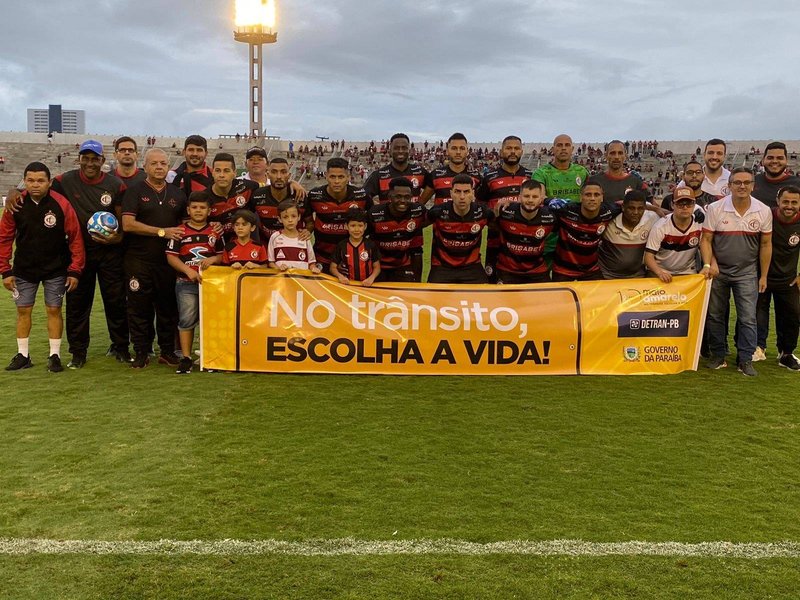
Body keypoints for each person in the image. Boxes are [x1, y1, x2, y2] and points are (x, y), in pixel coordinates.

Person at [0, 140, 131, 367]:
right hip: (77, 253)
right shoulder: (64, 181)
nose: (90, 162)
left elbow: (122, 218)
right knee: (78, 304)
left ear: (102, 160)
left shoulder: (115, 185)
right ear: (79, 158)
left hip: (109, 252)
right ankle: (78, 353)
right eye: (86, 157)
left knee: (115, 301)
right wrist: (15, 190)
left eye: (95, 158)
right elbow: (38, 186)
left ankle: (120, 347)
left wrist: (117, 238)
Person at [0, 162, 85, 372]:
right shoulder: (15, 204)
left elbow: (75, 238)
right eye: (30, 180)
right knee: (23, 310)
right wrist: (5, 270)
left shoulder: (61, 204)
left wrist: (75, 270)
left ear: (49, 182)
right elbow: (4, 238)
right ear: (24, 181)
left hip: (55, 269)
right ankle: (23, 355)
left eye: (40, 181)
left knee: (54, 310)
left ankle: (54, 355)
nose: (35, 185)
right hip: (24, 270)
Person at [701, 167, 772, 376]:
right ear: (729, 185)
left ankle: (745, 359)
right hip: (718, 272)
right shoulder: (715, 208)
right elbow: (706, 240)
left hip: (747, 272)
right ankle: (718, 355)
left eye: (746, 182)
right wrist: (708, 264)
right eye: (737, 182)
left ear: (753, 185)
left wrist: (764, 275)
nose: (742, 186)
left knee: (748, 317)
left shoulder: (763, 210)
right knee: (715, 315)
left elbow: (766, 244)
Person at [121, 148, 187, 369]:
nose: (159, 167)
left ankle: (167, 351)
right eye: (154, 163)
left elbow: (185, 226)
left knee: (167, 308)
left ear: (168, 167)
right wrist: (161, 232)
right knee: (139, 308)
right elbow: (128, 224)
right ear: (145, 166)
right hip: (138, 260)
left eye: (163, 163)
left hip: (168, 261)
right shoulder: (134, 191)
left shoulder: (177, 194)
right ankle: (141, 351)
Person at [165, 191, 223, 374]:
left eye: (202, 208)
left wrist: (212, 260)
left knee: (210, 320)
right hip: (185, 283)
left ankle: (209, 356)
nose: (198, 211)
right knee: (187, 319)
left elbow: (221, 255)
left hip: (210, 284)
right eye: (195, 207)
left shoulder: (215, 231)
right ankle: (186, 357)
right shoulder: (180, 231)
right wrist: (188, 271)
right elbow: (171, 257)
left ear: (209, 210)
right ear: (188, 209)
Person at [754, 185, 800, 369]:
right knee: (757, 312)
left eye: (794, 202)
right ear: (778, 201)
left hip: (788, 278)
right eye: (786, 202)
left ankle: (786, 353)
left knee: (792, 315)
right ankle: (758, 348)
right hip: (761, 275)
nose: (789, 206)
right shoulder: (766, 216)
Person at [476, 135, 531, 281]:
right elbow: (479, 203)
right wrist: (492, 218)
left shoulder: (531, 177)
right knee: (493, 286)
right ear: (501, 152)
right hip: (495, 241)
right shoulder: (489, 177)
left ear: (521, 151)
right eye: (508, 148)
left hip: (524, 242)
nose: (512, 151)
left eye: (516, 148)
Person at [305, 157, 372, 272]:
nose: (336, 181)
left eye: (341, 177)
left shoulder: (361, 196)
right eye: (332, 177)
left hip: (352, 259)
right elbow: (308, 220)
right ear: (326, 176)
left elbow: (372, 221)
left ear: (348, 177)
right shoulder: (314, 195)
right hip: (322, 257)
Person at [427, 173, 493, 284]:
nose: (462, 197)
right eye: (457, 192)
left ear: (473, 194)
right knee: (434, 300)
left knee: (483, 298)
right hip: (442, 267)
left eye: (466, 192)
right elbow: (418, 224)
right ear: (451, 194)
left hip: (472, 267)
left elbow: (499, 224)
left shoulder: (483, 212)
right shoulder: (437, 212)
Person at [551, 178, 620, 282]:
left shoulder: (609, 212)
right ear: (581, 197)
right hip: (563, 270)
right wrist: (548, 200)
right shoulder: (565, 211)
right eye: (588, 195)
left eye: (596, 195)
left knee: (601, 297)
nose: (592, 198)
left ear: (602, 198)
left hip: (591, 270)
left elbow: (629, 204)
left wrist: (653, 208)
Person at [494, 179, 555, 284]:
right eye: (526, 196)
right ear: (519, 197)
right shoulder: (504, 211)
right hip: (508, 271)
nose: (530, 200)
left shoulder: (550, 217)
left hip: (537, 271)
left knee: (548, 299)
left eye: (535, 197)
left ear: (541, 199)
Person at [368, 177, 427, 282]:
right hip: (377, 267)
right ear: (389, 196)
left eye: (407, 197)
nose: (403, 201)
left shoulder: (418, 211)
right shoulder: (374, 214)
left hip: (403, 266)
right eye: (398, 197)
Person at [645, 187, 703, 283]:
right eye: (680, 204)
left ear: (694, 205)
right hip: (660, 271)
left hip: (687, 272)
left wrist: (708, 265)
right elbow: (648, 256)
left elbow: (706, 245)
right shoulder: (660, 226)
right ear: (672, 205)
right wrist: (660, 273)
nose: (685, 207)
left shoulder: (699, 223)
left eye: (689, 204)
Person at [598, 190, 659, 279]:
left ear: (645, 208)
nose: (636, 212)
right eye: (631, 208)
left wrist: (657, 209)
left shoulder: (653, 218)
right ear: (623, 207)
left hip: (637, 276)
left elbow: (671, 218)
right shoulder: (609, 221)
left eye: (640, 208)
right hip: (608, 276)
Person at [207, 153, 260, 243]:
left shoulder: (250, 187)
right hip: (222, 248)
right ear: (212, 172)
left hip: (249, 245)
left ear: (234, 173)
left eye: (226, 171)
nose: (222, 175)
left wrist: (291, 184)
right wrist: (209, 225)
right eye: (218, 170)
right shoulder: (205, 197)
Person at [363, 133, 429, 203]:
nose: (400, 151)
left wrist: (420, 205)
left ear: (409, 150)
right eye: (396, 148)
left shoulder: (420, 172)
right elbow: (363, 195)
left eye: (404, 148)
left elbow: (434, 186)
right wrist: (378, 209)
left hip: (414, 214)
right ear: (390, 150)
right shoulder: (379, 175)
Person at [420, 133, 481, 205]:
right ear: (447, 151)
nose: (458, 152)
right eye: (454, 148)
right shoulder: (435, 175)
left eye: (462, 148)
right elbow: (420, 204)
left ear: (467, 151)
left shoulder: (477, 177)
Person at [252, 157, 304, 242]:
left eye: (283, 172)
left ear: (289, 175)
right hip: (266, 249)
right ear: (268, 175)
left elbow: (310, 222)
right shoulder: (257, 195)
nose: (279, 176)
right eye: (274, 172)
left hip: (293, 249)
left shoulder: (300, 195)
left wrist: (308, 231)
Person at [531, 134, 589, 203]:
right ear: (553, 149)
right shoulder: (541, 173)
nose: (563, 148)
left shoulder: (582, 172)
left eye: (567, 145)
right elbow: (540, 196)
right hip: (550, 213)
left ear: (572, 149)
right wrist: (551, 201)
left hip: (577, 213)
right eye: (559, 145)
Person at [330, 209, 381, 286]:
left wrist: (371, 278)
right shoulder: (341, 245)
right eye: (353, 226)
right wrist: (340, 277)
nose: (356, 230)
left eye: (360, 226)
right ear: (346, 226)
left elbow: (377, 267)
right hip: (347, 285)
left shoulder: (370, 245)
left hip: (367, 285)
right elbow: (332, 267)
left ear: (365, 226)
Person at [268, 199, 321, 272]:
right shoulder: (275, 237)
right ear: (280, 219)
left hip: (301, 281)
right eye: (285, 217)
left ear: (299, 217)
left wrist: (314, 269)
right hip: (281, 280)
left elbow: (311, 263)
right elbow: (271, 263)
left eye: (293, 216)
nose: (290, 220)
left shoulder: (304, 237)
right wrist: (278, 268)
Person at [752, 142, 800, 209]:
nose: (775, 161)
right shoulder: (752, 181)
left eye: (780, 158)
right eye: (770, 158)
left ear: (786, 161)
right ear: (763, 161)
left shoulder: (797, 184)